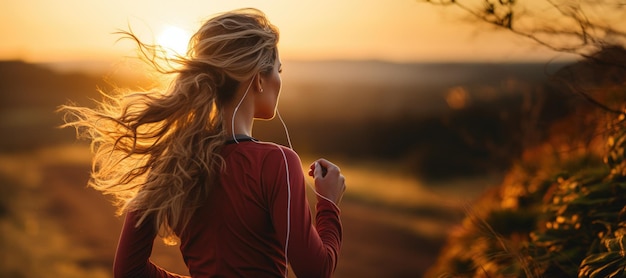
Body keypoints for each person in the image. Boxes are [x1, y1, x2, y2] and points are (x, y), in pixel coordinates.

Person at [60, 8, 346, 278]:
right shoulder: (277, 162)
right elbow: (315, 271)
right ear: (259, 79)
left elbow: (128, 271)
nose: (279, 81)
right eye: (278, 71)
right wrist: (328, 203)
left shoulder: (172, 163)